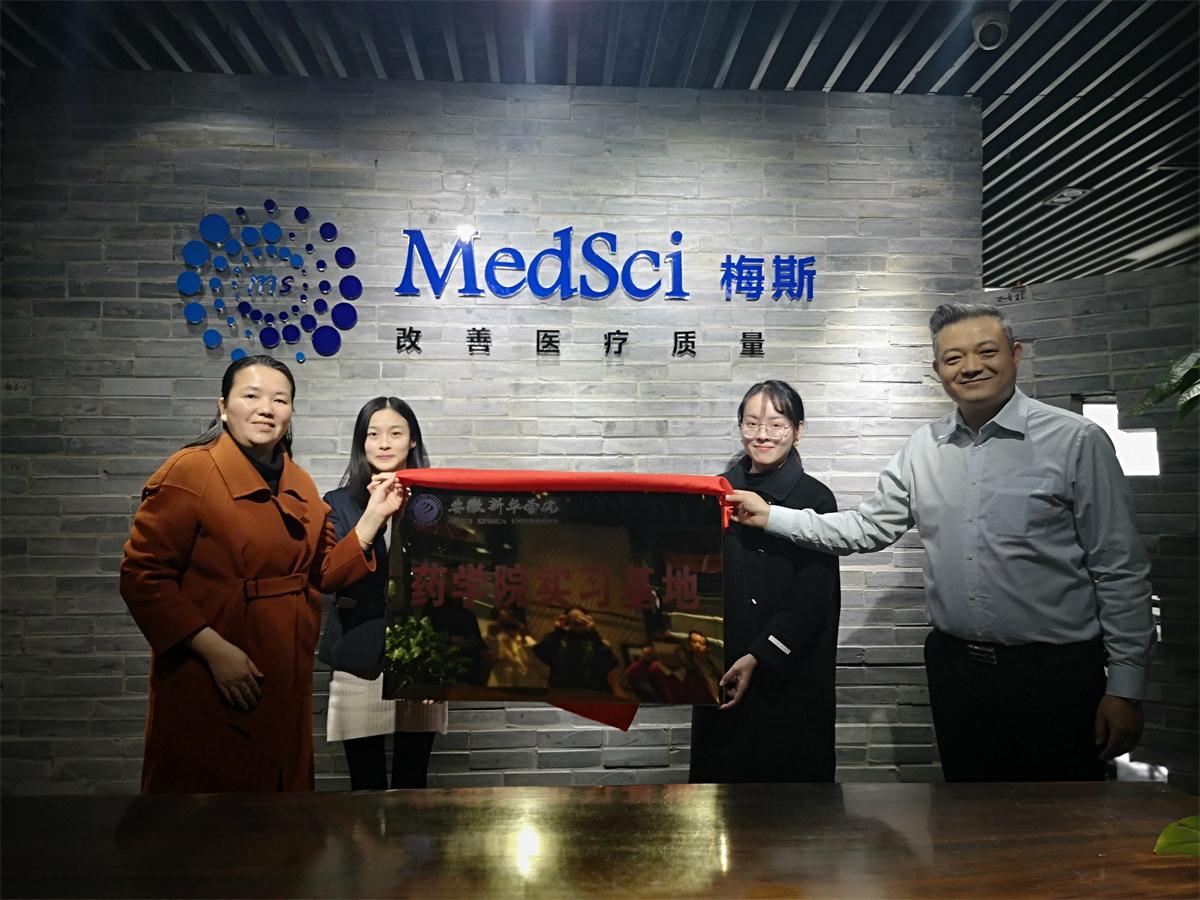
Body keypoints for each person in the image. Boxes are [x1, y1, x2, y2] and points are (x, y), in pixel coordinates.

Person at [727, 303, 1155, 782]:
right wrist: (771, 516)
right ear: (937, 370)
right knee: (966, 812)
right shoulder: (922, 448)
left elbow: (1119, 568)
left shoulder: (1076, 441)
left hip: (1055, 673)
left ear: (1015, 355)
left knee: (1064, 816)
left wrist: (1126, 686)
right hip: (958, 670)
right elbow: (864, 528)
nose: (970, 367)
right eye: (953, 358)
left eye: (986, 352)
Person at [120, 356, 403, 793]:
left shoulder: (300, 483)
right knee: (208, 803)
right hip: (212, 668)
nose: (266, 409)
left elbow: (325, 572)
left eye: (280, 400)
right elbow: (143, 576)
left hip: (286, 671)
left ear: (291, 412)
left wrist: (374, 516)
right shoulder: (190, 471)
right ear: (223, 407)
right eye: (251, 396)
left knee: (280, 803)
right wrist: (215, 652)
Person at [690, 380, 841, 784]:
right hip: (721, 664)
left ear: (798, 430)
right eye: (751, 422)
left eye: (776, 424)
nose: (762, 434)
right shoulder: (713, 493)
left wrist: (760, 656)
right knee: (717, 795)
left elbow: (813, 597)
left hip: (788, 670)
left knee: (788, 800)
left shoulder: (816, 499)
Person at [318, 396, 449, 790]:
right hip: (359, 656)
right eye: (373, 434)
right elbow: (330, 576)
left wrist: (435, 662)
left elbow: (453, 585)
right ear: (362, 442)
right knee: (365, 784)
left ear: (413, 440)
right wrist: (375, 514)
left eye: (395, 433)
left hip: (421, 659)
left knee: (413, 781)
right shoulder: (338, 503)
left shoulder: (438, 501)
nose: (385, 443)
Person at [533, 605, 629, 698]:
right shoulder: (557, 640)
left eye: (580, 619)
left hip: (591, 696)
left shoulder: (597, 643)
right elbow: (542, 654)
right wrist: (558, 631)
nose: (576, 623)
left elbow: (608, 665)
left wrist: (593, 634)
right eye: (571, 620)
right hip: (561, 695)